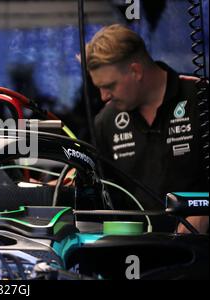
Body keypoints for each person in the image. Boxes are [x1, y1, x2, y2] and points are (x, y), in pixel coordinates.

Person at [86, 24, 208, 233]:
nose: (103, 96)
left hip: (200, 249)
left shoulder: (200, 98)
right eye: (99, 87)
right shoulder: (106, 122)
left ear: (136, 71)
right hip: (137, 251)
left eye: (110, 86)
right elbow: (96, 187)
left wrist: (206, 212)